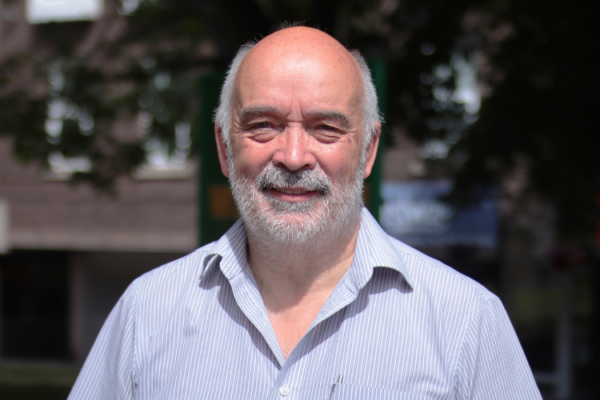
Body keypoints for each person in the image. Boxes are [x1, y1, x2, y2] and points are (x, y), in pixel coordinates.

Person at [68, 26, 542, 399]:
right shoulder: (146, 313)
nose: (293, 155)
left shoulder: (466, 322)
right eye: (264, 125)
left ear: (369, 150)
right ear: (224, 146)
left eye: (325, 128)